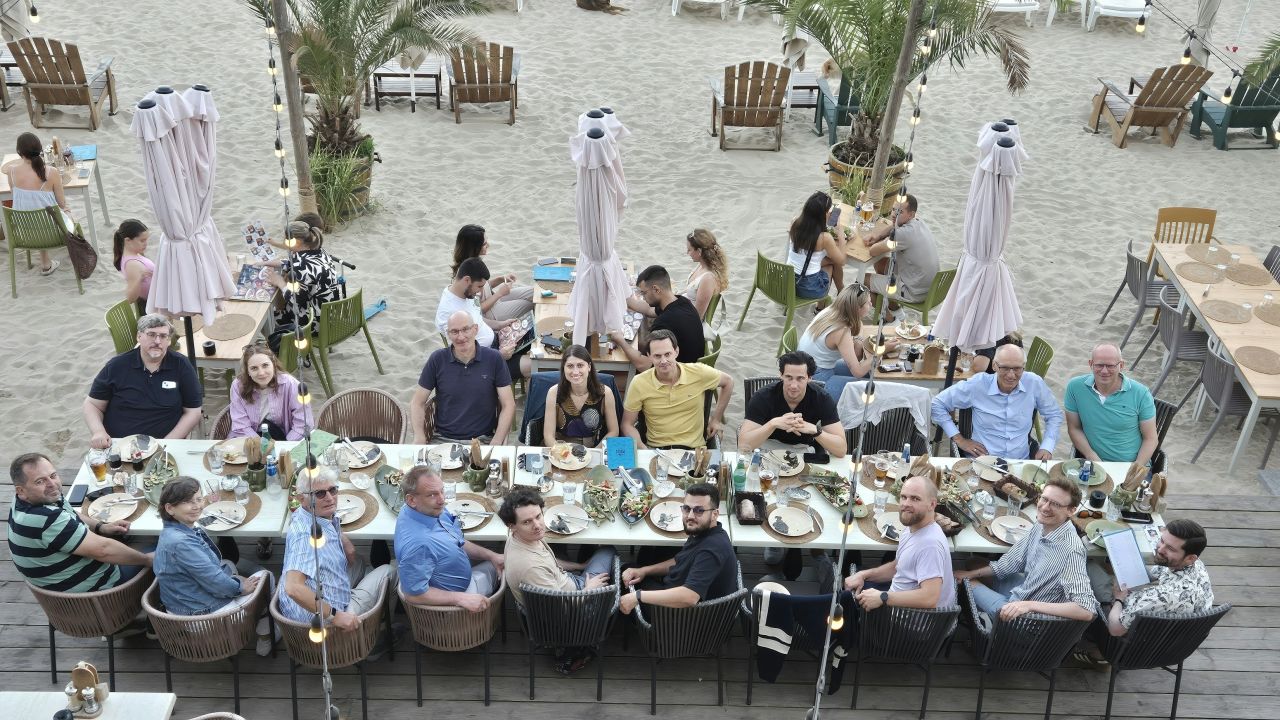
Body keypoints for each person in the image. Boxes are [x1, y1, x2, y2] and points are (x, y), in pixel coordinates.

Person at [153, 477, 276, 654]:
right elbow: (215, 580)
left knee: (228, 564)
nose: (197, 506)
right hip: (204, 618)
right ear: (170, 508)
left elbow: (210, 574)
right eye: (188, 502)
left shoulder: (170, 532)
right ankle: (266, 635)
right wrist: (240, 587)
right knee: (266, 576)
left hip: (182, 606)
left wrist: (233, 579)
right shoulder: (181, 543)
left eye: (198, 499)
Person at [499, 486, 614, 673]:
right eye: (527, 522)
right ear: (512, 526)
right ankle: (582, 643)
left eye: (538, 516)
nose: (537, 525)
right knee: (608, 550)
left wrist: (579, 566)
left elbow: (549, 562)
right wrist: (589, 589)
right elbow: (561, 610)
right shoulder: (532, 568)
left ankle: (585, 569)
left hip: (562, 585)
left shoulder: (518, 538)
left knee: (588, 546)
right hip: (572, 613)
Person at [953, 475, 1098, 622]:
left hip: (1028, 621)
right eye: (1044, 499)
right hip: (1025, 591)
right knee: (973, 563)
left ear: (1071, 511)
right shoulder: (1042, 524)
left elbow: (1086, 609)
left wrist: (1028, 605)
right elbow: (1010, 563)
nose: (1045, 507)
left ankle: (976, 623)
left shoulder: (1072, 551)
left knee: (966, 582)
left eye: (1055, 504)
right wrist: (970, 573)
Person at [8, 453, 152, 592]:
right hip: (97, 592)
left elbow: (68, 513)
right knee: (158, 547)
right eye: (40, 481)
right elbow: (103, 550)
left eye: (53, 476)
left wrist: (100, 527)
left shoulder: (25, 501)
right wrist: (147, 560)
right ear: (21, 490)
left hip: (62, 583)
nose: (52, 484)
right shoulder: (47, 519)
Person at [279, 467, 396, 635]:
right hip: (323, 626)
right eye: (320, 494)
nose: (329, 498)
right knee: (390, 571)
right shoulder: (306, 538)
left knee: (357, 561)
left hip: (303, 610)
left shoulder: (303, 513)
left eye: (333, 490)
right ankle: (380, 632)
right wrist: (335, 615)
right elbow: (293, 587)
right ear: (301, 498)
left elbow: (350, 555)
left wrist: (342, 538)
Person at [84, 314, 203, 448]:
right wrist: (98, 432)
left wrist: (165, 444)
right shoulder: (117, 365)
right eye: (151, 335)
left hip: (164, 443)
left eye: (163, 336)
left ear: (169, 340)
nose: (157, 341)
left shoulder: (181, 365)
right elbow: (92, 404)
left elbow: (193, 411)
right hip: (118, 444)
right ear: (139, 336)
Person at [619, 482, 737, 614]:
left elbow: (689, 597)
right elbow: (680, 560)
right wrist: (644, 571)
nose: (690, 516)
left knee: (625, 572)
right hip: (681, 589)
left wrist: (638, 596)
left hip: (687, 617)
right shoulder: (703, 531)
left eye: (699, 510)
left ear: (715, 514)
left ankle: (628, 620)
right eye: (687, 508)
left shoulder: (712, 550)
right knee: (646, 553)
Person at [395, 467, 504, 609]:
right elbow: (413, 595)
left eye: (442, 491)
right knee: (509, 565)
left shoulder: (426, 510)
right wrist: (461, 599)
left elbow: (456, 540)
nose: (442, 500)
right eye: (432, 495)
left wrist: (491, 555)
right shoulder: (418, 544)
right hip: (454, 606)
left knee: (499, 559)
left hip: (457, 580)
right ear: (411, 500)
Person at [930, 344, 1063, 460]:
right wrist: (959, 440)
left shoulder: (1034, 383)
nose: (1011, 375)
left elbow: (1054, 415)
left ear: (1024, 367)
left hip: (1020, 460)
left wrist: (1047, 446)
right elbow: (937, 404)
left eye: (1017, 368)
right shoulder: (978, 384)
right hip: (982, 461)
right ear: (994, 366)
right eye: (1005, 368)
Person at [844, 476, 956, 610]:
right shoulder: (912, 527)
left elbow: (930, 598)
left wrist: (882, 597)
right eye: (904, 497)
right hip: (896, 599)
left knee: (840, 602)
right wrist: (863, 575)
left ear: (932, 504)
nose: (906, 503)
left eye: (915, 498)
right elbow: (897, 567)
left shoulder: (930, 545)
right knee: (848, 590)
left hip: (909, 619)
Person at [411, 310, 516, 444]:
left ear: (475, 329)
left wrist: (497, 439)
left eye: (465, 329)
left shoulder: (494, 359)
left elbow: (508, 404)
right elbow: (417, 402)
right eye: (454, 331)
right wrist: (419, 436)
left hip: (482, 440)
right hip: (443, 439)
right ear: (448, 334)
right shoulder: (437, 359)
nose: (461, 337)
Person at [620, 330, 732, 450]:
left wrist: (716, 420)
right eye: (657, 356)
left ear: (676, 352)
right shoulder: (639, 383)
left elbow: (728, 382)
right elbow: (627, 424)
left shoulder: (698, 372)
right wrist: (643, 449)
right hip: (657, 449)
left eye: (667, 354)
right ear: (649, 356)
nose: (663, 361)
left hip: (694, 450)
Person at [797, 283, 897, 403]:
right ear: (857, 308)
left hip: (809, 368)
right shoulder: (841, 330)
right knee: (872, 388)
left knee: (871, 373)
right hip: (816, 381)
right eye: (868, 302)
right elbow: (858, 372)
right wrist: (882, 350)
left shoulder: (832, 310)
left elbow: (859, 324)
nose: (871, 305)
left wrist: (858, 340)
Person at [1064, 343, 1158, 466]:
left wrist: (1137, 466)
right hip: (1093, 463)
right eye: (1099, 365)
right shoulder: (1075, 387)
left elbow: (1151, 438)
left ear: (1121, 365)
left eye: (1110, 366)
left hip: (1130, 464)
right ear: (1091, 364)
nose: (1104, 371)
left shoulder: (1141, 393)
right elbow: (1074, 428)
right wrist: (1091, 456)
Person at [739, 350, 847, 457]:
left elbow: (841, 450)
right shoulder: (763, 397)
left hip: (804, 451)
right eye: (789, 377)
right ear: (781, 375)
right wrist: (773, 424)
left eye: (800, 378)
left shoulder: (822, 398)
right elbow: (743, 445)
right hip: (766, 450)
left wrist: (814, 430)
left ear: (809, 378)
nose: (794, 385)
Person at [436, 257, 528, 379]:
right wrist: (499, 355)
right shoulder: (449, 313)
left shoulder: (465, 294)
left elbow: (478, 319)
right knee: (536, 365)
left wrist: (501, 324)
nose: (480, 292)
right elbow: (462, 356)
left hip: (497, 343)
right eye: (479, 286)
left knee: (535, 340)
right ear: (467, 280)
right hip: (485, 365)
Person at [2, 132, 75, 276]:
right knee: (65, 211)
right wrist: (67, 210)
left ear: (19, 152)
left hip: (23, 233)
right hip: (53, 233)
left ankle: (46, 262)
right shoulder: (51, 172)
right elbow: (61, 203)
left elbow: (15, 195)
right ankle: (60, 256)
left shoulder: (11, 171)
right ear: (39, 150)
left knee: (34, 210)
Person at [859, 194, 938, 321]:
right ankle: (895, 310)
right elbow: (895, 225)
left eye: (900, 211)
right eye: (893, 209)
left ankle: (890, 319)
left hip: (914, 292)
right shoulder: (918, 222)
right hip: (930, 289)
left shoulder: (903, 234)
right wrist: (878, 236)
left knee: (862, 280)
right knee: (880, 263)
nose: (894, 214)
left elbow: (873, 251)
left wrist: (878, 241)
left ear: (911, 214)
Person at [611, 265, 705, 368]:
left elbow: (644, 365)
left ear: (656, 289)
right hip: (694, 367)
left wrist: (621, 341)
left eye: (644, 293)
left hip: (678, 374)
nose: (643, 297)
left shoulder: (664, 323)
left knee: (613, 368)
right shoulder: (682, 302)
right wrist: (621, 297)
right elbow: (648, 310)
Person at [265, 221, 341, 333]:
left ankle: (274, 342)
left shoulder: (302, 266)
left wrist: (279, 282)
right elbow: (295, 263)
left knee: (268, 317)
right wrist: (267, 263)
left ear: (297, 242)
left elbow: (294, 301)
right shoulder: (319, 251)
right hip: (332, 318)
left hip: (316, 325)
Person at [227, 343, 312, 441]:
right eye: (254, 368)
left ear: (273, 364)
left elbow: (303, 422)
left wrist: (284, 445)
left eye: (265, 365)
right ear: (248, 371)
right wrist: (260, 445)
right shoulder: (238, 386)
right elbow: (241, 425)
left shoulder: (290, 384)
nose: (261, 373)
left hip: (284, 437)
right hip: (250, 438)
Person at [451, 224, 534, 322]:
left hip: (494, 299)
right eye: (484, 244)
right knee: (531, 303)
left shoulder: (474, 262)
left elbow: (482, 287)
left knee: (534, 292)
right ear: (474, 247)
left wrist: (501, 279)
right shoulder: (465, 275)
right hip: (490, 313)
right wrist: (499, 294)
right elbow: (477, 310)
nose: (488, 245)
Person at [542, 345, 618, 447]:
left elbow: (614, 431)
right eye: (570, 366)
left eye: (580, 365)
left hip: (593, 447)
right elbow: (548, 436)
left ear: (589, 367)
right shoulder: (553, 393)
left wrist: (595, 451)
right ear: (564, 368)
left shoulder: (605, 393)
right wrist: (561, 453)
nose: (575, 372)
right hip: (561, 447)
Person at [788, 191, 848, 299]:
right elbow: (842, 261)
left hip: (788, 282)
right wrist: (841, 235)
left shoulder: (795, 223)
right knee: (832, 265)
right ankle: (826, 303)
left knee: (831, 260)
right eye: (829, 211)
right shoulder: (824, 238)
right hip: (807, 289)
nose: (830, 213)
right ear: (823, 214)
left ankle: (842, 291)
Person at [113, 219, 153, 317]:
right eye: (142, 240)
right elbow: (130, 298)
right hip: (151, 310)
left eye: (146, 240)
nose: (146, 243)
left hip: (153, 304)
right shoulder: (132, 264)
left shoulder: (135, 254)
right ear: (128, 241)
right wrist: (139, 279)